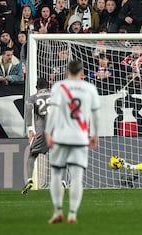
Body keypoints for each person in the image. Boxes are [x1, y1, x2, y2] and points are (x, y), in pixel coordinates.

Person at [45, 60, 100, 224]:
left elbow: (53, 111)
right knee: (77, 177)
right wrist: (95, 134)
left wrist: (48, 131)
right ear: (81, 72)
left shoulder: (59, 86)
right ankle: (73, 214)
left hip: (61, 137)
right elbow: (95, 114)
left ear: (67, 71)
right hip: (80, 138)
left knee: (56, 174)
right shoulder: (90, 88)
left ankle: (57, 211)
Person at [21, 79, 51, 194]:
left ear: (36, 87)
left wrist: (30, 129)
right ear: (48, 86)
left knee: (32, 154)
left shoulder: (32, 98)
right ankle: (62, 181)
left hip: (41, 130)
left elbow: (29, 112)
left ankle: (29, 180)